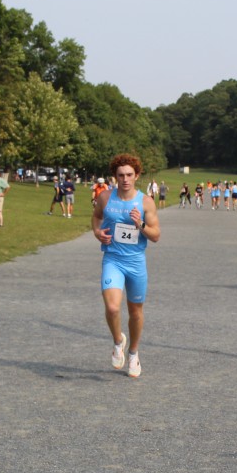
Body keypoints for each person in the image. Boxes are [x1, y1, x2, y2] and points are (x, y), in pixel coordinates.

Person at [92, 153, 160, 378]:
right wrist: (97, 232)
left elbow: (156, 235)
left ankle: (133, 353)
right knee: (112, 308)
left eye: (129, 175)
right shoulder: (105, 197)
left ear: (137, 175)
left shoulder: (145, 202)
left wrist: (140, 223)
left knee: (135, 311)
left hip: (136, 262)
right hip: (113, 259)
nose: (125, 179)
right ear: (115, 176)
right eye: (121, 175)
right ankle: (118, 341)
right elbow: (96, 217)